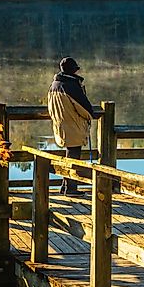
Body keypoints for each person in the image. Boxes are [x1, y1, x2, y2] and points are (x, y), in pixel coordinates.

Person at [47, 56, 94, 196]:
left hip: (61, 125)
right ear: (73, 71)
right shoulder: (70, 86)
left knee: (69, 156)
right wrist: (90, 115)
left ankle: (65, 187)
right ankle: (71, 189)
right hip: (73, 125)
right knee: (73, 158)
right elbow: (85, 109)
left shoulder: (54, 85)